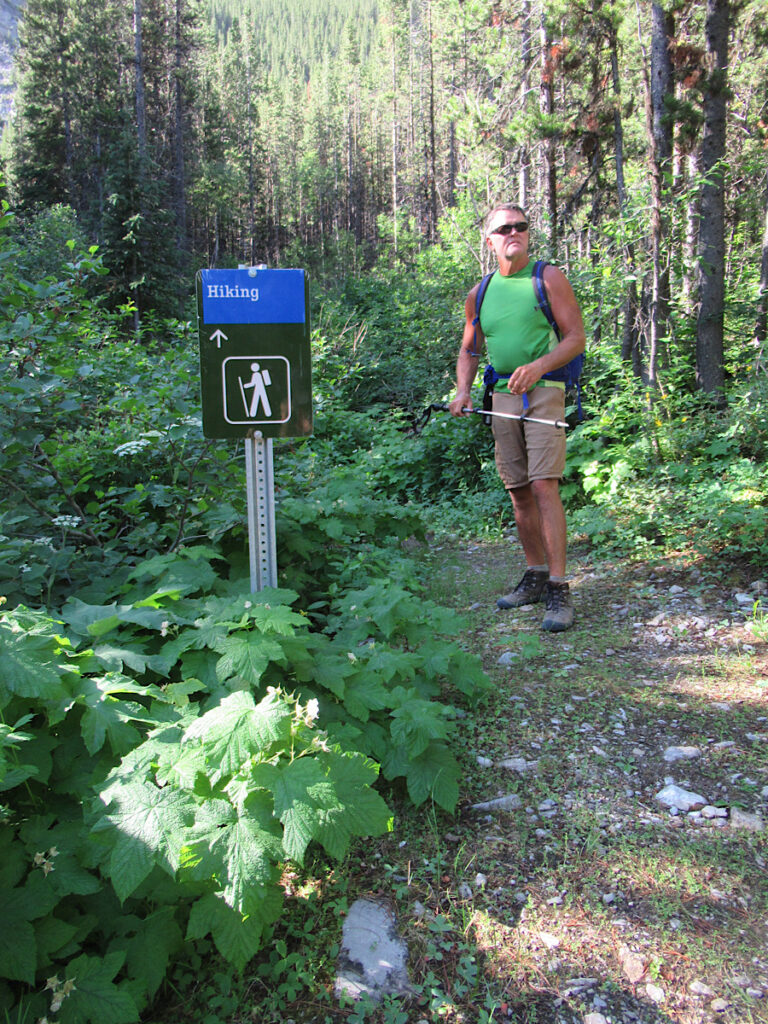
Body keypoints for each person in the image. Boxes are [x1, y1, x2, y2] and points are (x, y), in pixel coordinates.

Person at [449, 204, 586, 632]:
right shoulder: (481, 292)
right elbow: (470, 349)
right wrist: (463, 390)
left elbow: (576, 338)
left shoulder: (548, 278)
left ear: (528, 234)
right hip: (502, 395)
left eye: (520, 226)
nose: (513, 233)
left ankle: (560, 590)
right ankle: (535, 575)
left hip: (546, 392)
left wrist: (541, 366)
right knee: (519, 490)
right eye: (503, 228)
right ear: (489, 241)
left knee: (545, 486)